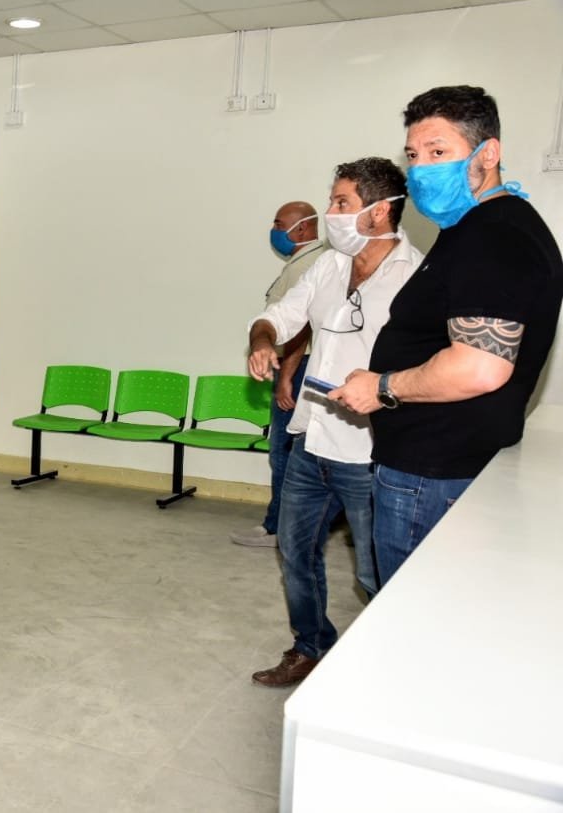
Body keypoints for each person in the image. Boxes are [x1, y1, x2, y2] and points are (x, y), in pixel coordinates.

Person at [334, 86, 563, 586]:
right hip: (437, 466)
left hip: (432, 475)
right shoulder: (477, 229)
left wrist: (382, 387)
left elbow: (479, 367)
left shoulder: (492, 235)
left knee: (408, 606)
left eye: (438, 152)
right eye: (414, 155)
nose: (421, 169)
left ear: (488, 153)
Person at [246, 158, 423, 687]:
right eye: (332, 200)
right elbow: (280, 316)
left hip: (371, 456)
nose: (331, 212)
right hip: (311, 440)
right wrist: (262, 341)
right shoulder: (327, 266)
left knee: (373, 571)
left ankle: (389, 673)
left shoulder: (415, 277)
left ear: (380, 211)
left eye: (342, 202)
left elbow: (424, 371)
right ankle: (310, 647)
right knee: (295, 552)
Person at [232, 203, 326, 547]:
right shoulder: (304, 261)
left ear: (301, 228)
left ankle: (279, 529)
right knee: (294, 452)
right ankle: (288, 525)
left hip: (297, 368)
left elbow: (301, 327)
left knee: (284, 452)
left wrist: (286, 375)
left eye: (278, 224)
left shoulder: (310, 264)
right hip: (298, 366)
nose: (273, 230)